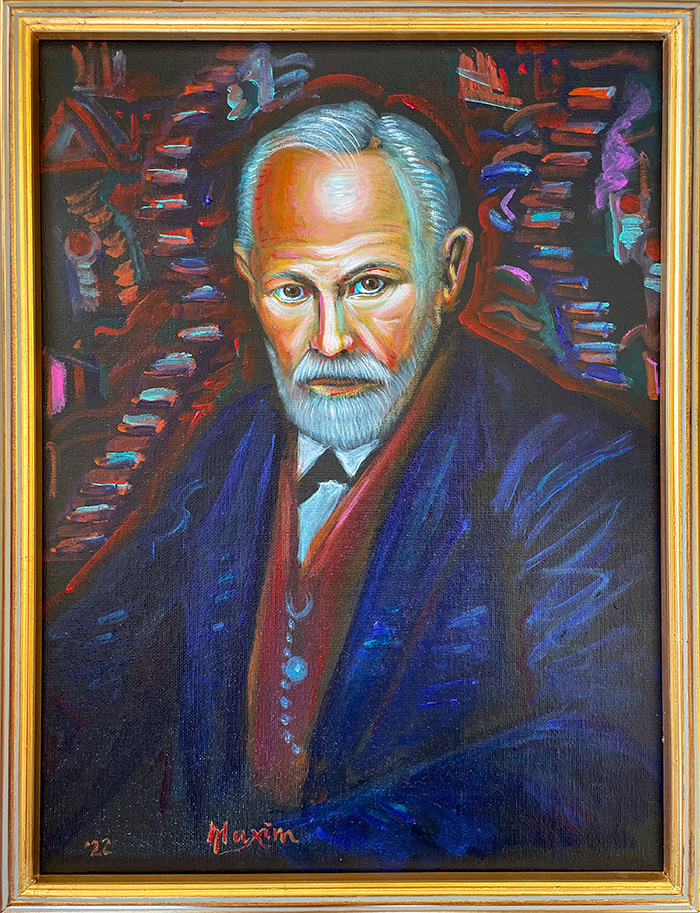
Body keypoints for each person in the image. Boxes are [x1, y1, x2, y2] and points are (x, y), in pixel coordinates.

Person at [42, 101, 662, 873]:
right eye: (292, 291)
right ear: (248, 279)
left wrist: (272, 872)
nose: (331, 340)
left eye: (369, 284)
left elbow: (607, 759)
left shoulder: (579, 465)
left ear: (450, 269)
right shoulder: (234, 444)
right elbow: (85, 672)